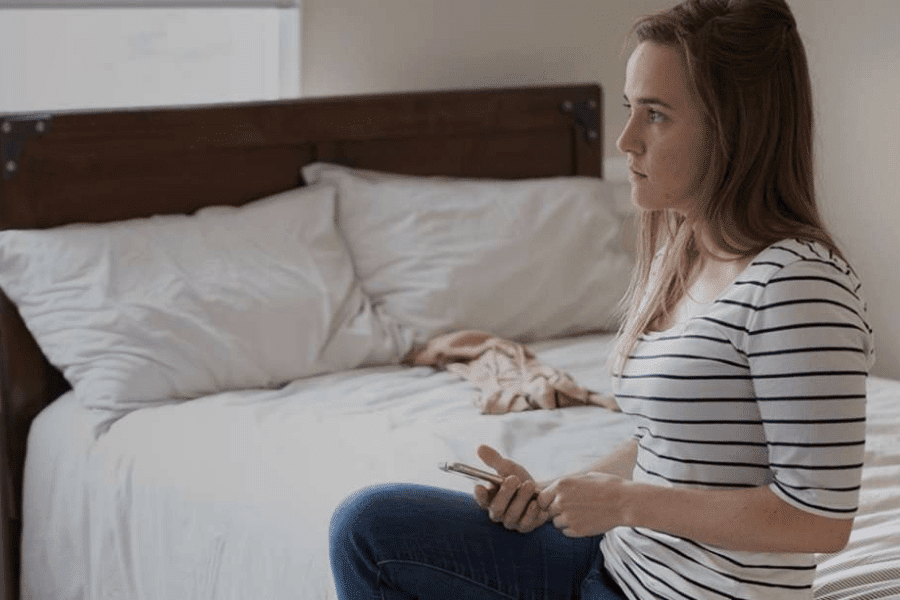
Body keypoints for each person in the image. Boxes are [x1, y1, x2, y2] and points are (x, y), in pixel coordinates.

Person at [328, 0, 875, 598]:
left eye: (657, 115)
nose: (625, 140)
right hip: (614, 564)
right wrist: (560, 491)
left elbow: (819, 520)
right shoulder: (683, 254)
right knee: (368, 527)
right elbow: (669, 444)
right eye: (628, 109)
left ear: (733, 128)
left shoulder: (798, 286)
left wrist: (625, 504)